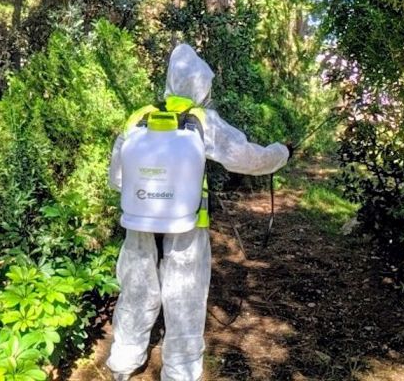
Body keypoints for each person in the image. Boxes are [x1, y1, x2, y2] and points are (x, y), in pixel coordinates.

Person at [106, 43, 290, 381]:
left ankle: (123, 361)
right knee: (184, 295)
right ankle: (180, 371)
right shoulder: (203, 120)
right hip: (188, 223)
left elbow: (117, 179)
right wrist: (281, 154)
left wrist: (150, 188)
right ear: (203, 86)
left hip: (139, 219)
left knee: (136, 288)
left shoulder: (139, 117)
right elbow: (248, 158)